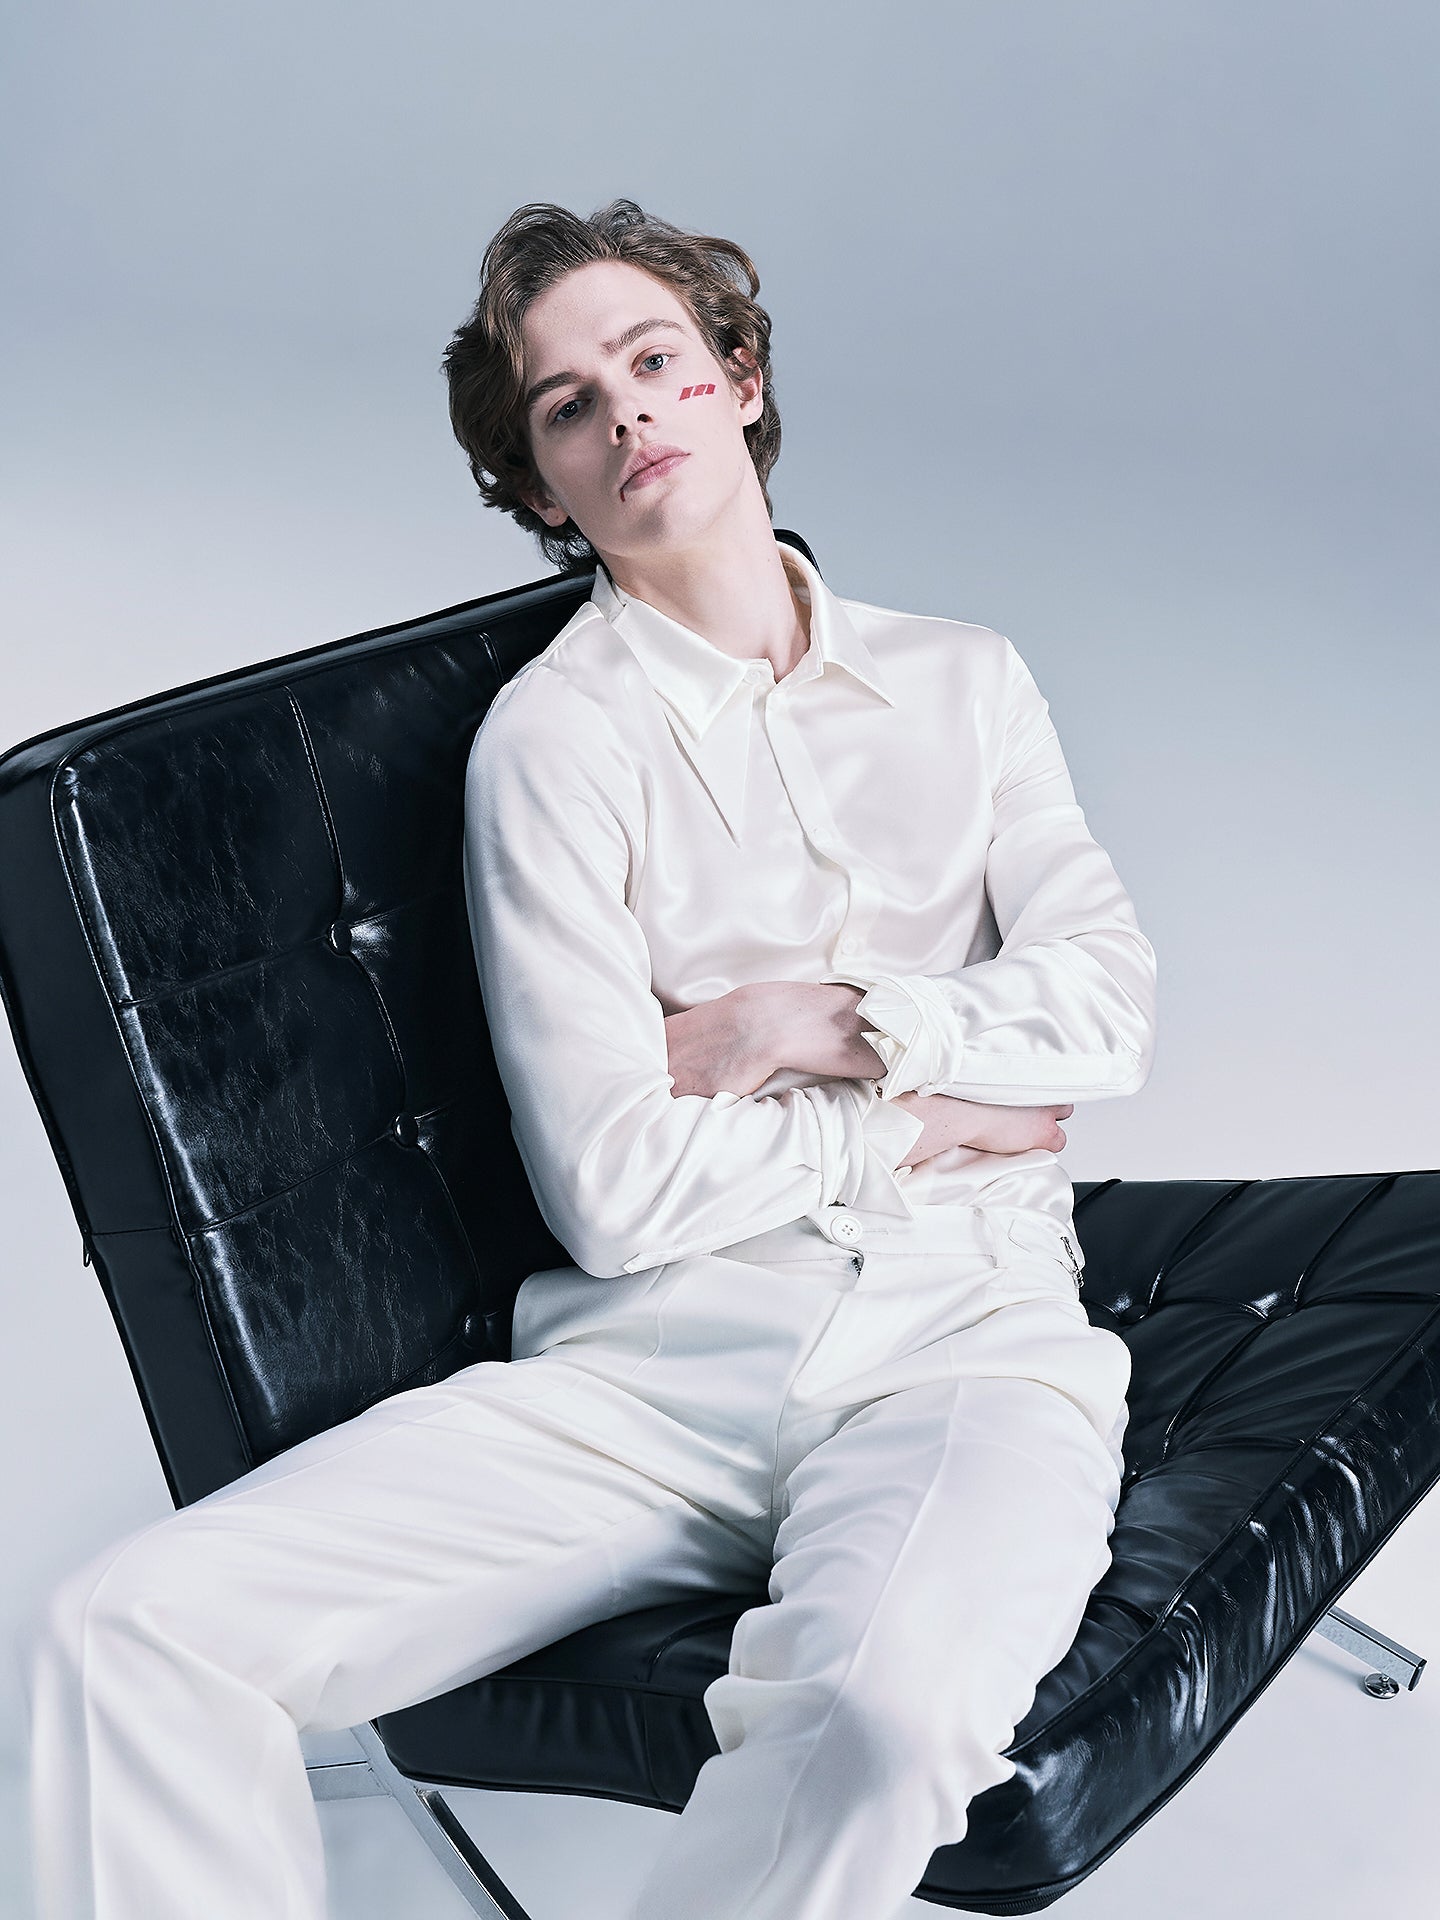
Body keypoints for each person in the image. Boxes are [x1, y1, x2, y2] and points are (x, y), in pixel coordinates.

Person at [28, 198, 1156, 1920]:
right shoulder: (553, 746)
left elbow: (1110, 1008)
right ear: (542, 488)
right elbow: (619, 1192)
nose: (626, 414)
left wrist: (813, 1024)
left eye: (654, 362)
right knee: (128, 1629)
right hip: (653, 1377)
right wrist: (933, 1114)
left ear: (741, 380)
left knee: (879, 1720)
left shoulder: (967, 682)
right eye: (571, 407)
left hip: (965, 1342)